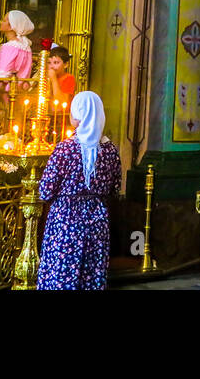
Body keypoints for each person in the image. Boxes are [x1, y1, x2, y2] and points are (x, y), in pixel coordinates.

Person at [37, 91, 122, 290]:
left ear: (79, 114)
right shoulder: (110, 150)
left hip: (66, 220)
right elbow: (115, 187)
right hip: (97, 219)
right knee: (91, 275)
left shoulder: (65, 149)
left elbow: (46, 190)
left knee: (61, 274)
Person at [0, 9, 34, 86]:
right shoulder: (26, 47)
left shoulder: (9, 47)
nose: (0, 22)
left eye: (4, 20)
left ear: (11, 26)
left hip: (6, 92)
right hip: (21, 90)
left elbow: (3, 76)